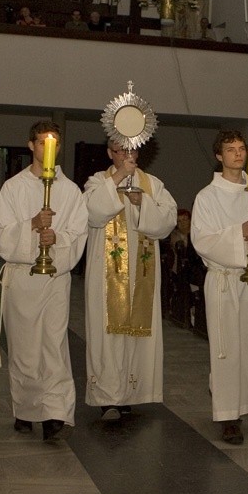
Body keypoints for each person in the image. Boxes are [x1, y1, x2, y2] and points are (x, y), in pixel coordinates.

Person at [0, 120, 88, 442]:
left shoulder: (70, 191)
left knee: (53, 346)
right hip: (21, 280)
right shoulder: (13, 188)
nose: (49, 149)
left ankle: (54, 412)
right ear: (32, 146)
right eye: (43, 143)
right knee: (24, 348)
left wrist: (55, 238)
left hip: (54, 280)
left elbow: (78, 234)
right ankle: (26, 408)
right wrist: (31, 226)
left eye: (55, 143)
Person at [191, 130, 248, 445]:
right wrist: (239, 235)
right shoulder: (207, 197)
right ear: (219, 156)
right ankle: (229, 416)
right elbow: (202, 240)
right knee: (227, 349)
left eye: (241, 149)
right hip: (224, 282)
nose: (237, 154)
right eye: (230, 149)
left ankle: (234, 396)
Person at [84, 141, 177, 421]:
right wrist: (116, 179)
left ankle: (130, 395)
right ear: (110, 153)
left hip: (141, 273)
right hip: (106, 273)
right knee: (108, 331)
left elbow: (168, 220)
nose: (128, 155)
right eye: (121, 150)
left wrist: (142, 202)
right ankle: (108, 398)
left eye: (132, 150)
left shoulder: (153, 184)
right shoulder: (97, 181)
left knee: (136, 332)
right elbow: (91, 213)